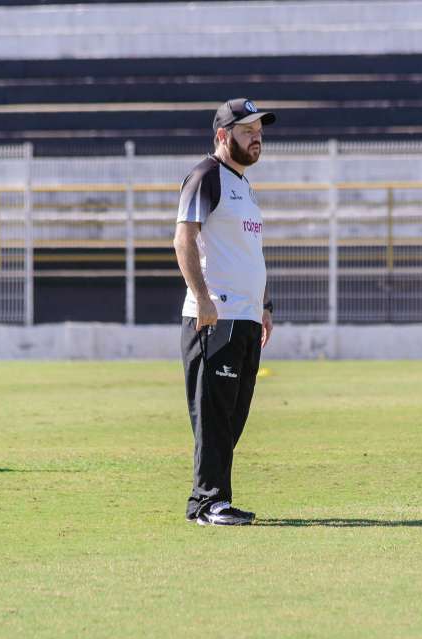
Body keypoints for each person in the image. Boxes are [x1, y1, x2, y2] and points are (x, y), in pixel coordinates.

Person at [173, 98, 276, 526]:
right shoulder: (206, 175)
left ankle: (212, 500)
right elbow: (184, 239)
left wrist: (264, 306)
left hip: (247, 319)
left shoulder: (244, 186)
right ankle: (209, 502)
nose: (256, 138)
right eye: (246, 130)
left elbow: (248, 252)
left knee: (233, 417)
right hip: (217, 317)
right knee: (214, 414)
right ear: (222, 135)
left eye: (259, 131)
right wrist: (202, 297)